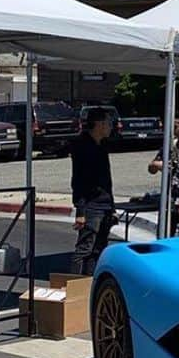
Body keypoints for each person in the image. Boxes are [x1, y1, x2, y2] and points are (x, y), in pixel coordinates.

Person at [70, 107, 117, 276]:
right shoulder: (82, 146)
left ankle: (90, 281)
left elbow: (107, 180)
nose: (110, 127)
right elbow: (79, 181)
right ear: (99, 124)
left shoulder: (102, 145)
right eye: (108, 123)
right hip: (91, 205)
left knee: (99, 248)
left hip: (104, 203)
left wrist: (112, 207)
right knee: (85, 248)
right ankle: (74, 283)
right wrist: (80, 210)